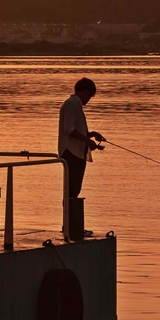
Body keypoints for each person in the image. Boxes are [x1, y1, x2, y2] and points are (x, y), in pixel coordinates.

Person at [58, 77, 105, 240]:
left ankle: (70, 225)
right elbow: (69, 130)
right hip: (71, 153)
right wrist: (88, 141)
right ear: (84, 91)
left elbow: (75, 129)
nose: (89, 100)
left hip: (76, 152)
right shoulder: (71, 104)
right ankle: (70, 227)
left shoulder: (75, 105)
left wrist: (91, 135)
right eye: (90, 96)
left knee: (74, 191)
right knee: (71, 191)